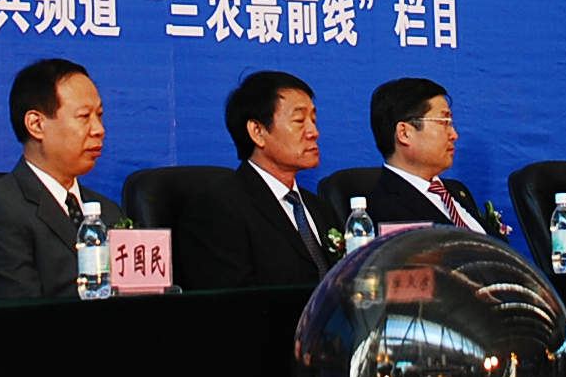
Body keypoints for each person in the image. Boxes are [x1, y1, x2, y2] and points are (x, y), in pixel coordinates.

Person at [0, 57, 117, 300]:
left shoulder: (109, 212)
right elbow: (20, 309)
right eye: (84, 116)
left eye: (99, 115)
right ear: (36, 124)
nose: (99, 129)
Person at [181, 71, 342, 289]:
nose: (313, 132)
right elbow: (230, 299)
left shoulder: (320, 209)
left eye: (313, 120)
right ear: (257, 132)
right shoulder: (217, 209)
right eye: (299, 120)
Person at [362, 77, 493, 234]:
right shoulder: (384, 209)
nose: (454, 135)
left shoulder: (456, 190)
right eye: (444, 122)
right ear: (404, 133)